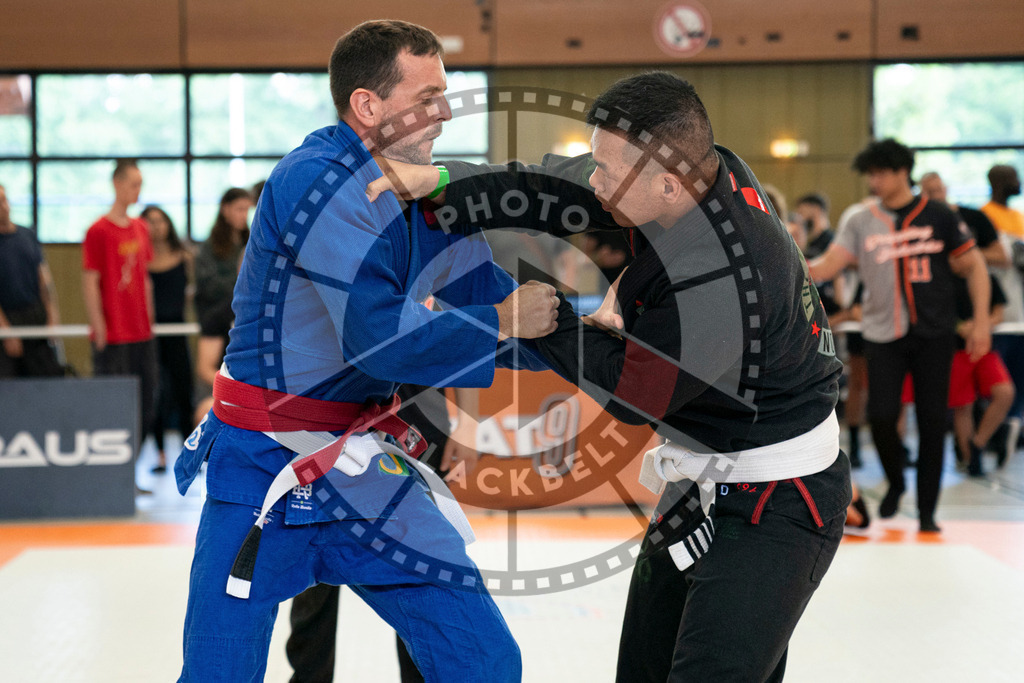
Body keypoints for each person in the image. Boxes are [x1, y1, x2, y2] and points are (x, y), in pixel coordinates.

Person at [370, 71, 852, 683]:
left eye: (604, 170)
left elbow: (634, 392)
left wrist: (543, 322)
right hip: (700, 476)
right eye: (596, 161)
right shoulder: (694, 174)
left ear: (669, 184)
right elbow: (547, 183)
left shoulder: (728, 277)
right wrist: (440, 181)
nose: (593, 182)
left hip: (779, 496)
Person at [173, 20, 557, 682]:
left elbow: (509, 309)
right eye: (428, 95)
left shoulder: (430, 199)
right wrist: (499, 321)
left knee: (483, 658)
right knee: (219, 671)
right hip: (260, 461)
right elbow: (380, 339)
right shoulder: (312, 183)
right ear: (367, 105)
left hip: (363, 468)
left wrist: (608, 333)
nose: (444, 112)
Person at [809, 139, 991, 533]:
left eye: (879, 173)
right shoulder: (861, 218)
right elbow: (828, 267)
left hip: (934, 334)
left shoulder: (939, 215)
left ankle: (927, 512)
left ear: (900, 172)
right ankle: (895, 481)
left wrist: (980, 322)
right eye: (870, 174)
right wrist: (783, 258)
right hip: (882, 334)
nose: (873, 181)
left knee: (931, 421)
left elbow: (975, 267)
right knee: (881, 414)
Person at [287, 379, 481, 683]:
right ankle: (310, 678)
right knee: (314, 574)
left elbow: (466, 342)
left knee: (422, 574)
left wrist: (469, 424)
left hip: (417, 430)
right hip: (333, 427)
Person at [82, 159, 159, 492]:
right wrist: (98, 325)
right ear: (117, 184)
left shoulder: (140, 228)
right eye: (133, 183)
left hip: (142, 334)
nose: (137, 190)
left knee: (147, 402)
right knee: (114, 408)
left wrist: (150, 322)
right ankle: (111, 478)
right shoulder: (98, 231)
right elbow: (90, 280)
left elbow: (144, 279)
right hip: (114, 336)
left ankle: (130, 475)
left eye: (141, 184)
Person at [142, 205, 195, 472]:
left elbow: (191, 292)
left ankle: (190, 452)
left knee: (183, 391)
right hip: (150, 334)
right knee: (156, 394)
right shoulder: (141, 259)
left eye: (161, 221)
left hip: (177, 330)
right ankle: (161, 453)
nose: (157, 226)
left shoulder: (184, 256)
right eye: (150, 222)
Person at [981, 165, 1024, 463]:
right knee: (994, 384)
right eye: (1013, 177)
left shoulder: (1019, 218)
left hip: (1019, 316)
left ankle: (1013, 428)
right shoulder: (984, 217)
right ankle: (987, 437)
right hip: (996, 317)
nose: (1018, 182)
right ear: (997, 182)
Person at [0, 182, 63, 378]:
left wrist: (53, 317)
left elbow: (44, 279)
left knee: (48, 379)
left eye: (2, 200)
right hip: (8, 320)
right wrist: (6, 331)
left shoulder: (27, 235)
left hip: (35, 317)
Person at [193, 187, 252, 328]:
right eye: (240, 209)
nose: (244, 215)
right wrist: (242, 284)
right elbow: (208, 285)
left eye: (247, 210)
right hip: (216, 317)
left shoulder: (251, 243)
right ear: (225, 209)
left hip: (244, 316)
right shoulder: (210, 246)